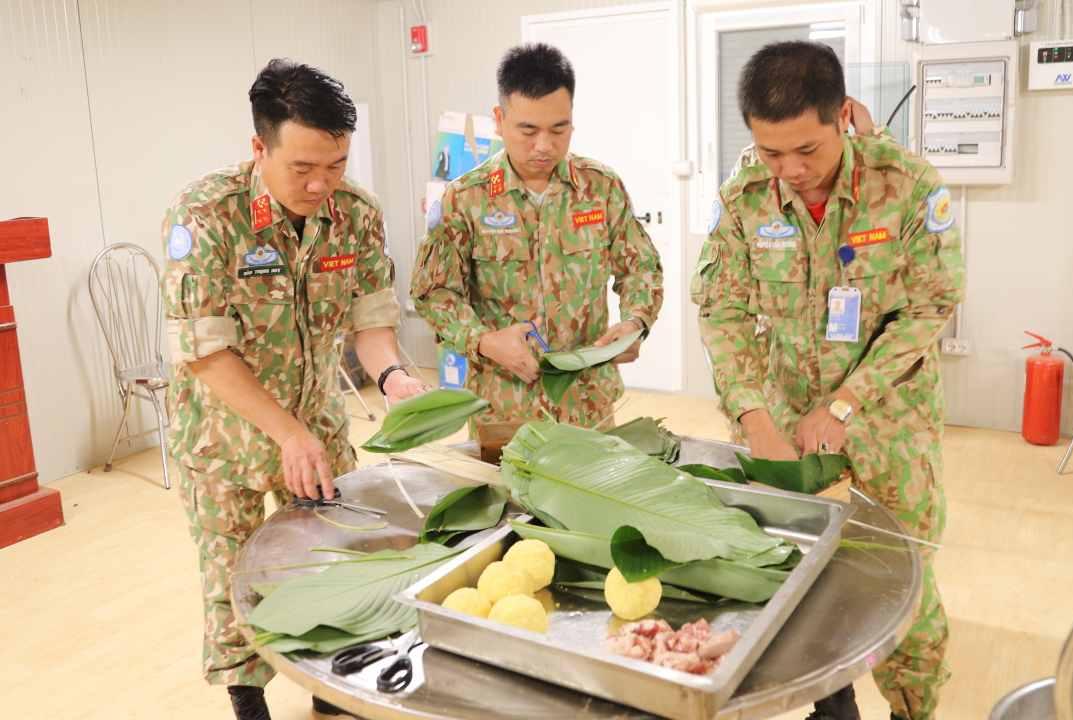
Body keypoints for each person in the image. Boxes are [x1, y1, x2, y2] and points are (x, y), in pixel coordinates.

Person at [691, 41, 965, 720]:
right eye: (770, 152)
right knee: (801, 578)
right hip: (782, 424)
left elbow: (931, 304)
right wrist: (757, 421)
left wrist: (844, 403)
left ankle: (910, 709)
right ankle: (831, 702)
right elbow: (721, 311)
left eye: (807, 150)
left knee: (903, 586)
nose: (790, 171)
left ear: (843, 115)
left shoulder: (906, 184)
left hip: (889, 424)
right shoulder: (745, 196)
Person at [161, 59, 428, 720]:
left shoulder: (358, 215)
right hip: (225, 437)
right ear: (260, 147)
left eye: (335, 165)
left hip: (317, 426)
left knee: (335, 561)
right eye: (301, 168)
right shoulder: (207, 216)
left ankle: (331, 691)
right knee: (234, 580)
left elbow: (371, 323)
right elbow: (205, 351)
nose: (320, 184)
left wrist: (394, 375)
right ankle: (248, 701)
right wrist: (285, 431)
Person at [411, 42, 664, 429]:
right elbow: (434, 291)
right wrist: (483, 341)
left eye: (558, 129)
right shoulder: (466, 197)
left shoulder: (601, 188)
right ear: (499, 120)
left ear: (572, 119)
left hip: (587, 402)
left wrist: (635, 321)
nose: (544, 146)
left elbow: (641, 267)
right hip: (502, 405)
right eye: (527, 130)